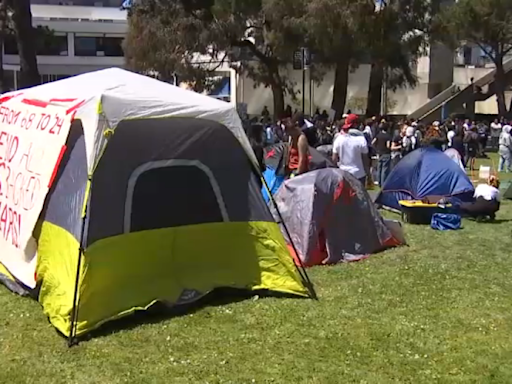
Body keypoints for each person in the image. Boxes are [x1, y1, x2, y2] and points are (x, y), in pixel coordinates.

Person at [332, 114, 369, 186]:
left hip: (343, 173)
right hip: (359, 174)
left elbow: (334, 159)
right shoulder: (361, 140)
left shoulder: (339, 139)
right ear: (356, 125)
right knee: (360, 196)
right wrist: (368, 174)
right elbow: (365, 160)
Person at [372, 122, 392, 186]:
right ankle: (383, 183)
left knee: (379, 168)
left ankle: (379, 182)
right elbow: (388, 145)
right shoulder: (388, 136)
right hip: (386, 153)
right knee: (384, 169)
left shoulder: (378, 135)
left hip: (379, 153)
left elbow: (373, 142)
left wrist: (376, 148)